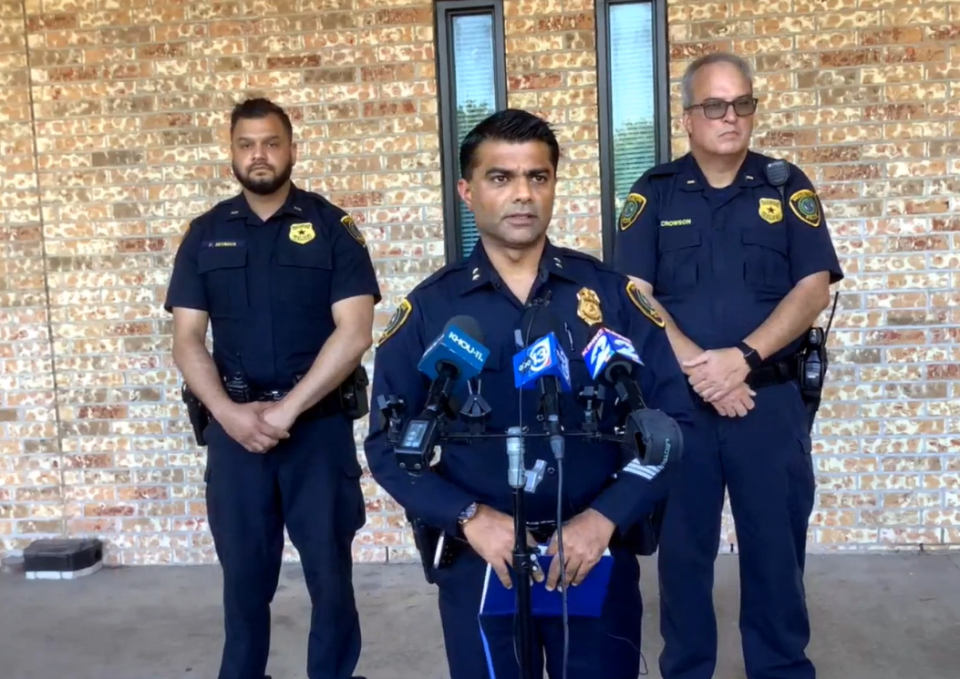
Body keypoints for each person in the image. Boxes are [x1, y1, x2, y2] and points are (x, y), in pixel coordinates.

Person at [363, 108, 697, 679]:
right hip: (481, 561)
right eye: (501, 178)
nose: (522, 194)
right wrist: (468, 517)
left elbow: (675, 423)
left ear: (553, 187)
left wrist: (604, 519)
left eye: (537, 177)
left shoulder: (609, 298)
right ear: (468, 192)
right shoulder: (432, 311)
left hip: (593, 555)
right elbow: (389, 446)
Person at [613, 52, 844, 679]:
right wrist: (700, 367)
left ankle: (780, 668)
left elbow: (813, 287)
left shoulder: (784, 183)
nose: (730, 117)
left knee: (775, 552)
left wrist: (741, 360)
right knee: (683, 557)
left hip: (767, 402)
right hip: (682, 407)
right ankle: (686, 671)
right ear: (687, 117)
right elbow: (634, 292)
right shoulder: (654, 192)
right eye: (714, 105)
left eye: (742, 103)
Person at [164, 97, 380, 679]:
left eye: (270, 142)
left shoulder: (334, 228)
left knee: (331, 583)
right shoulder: (205, 235)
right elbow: (187, 340)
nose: (258, 154)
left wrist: (287, 410)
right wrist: (228, 414)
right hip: (236, 436)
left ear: (291, 148)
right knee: (243, 586)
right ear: (231, 152)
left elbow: (355, 330)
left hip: (316, 432)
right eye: (246, 144)